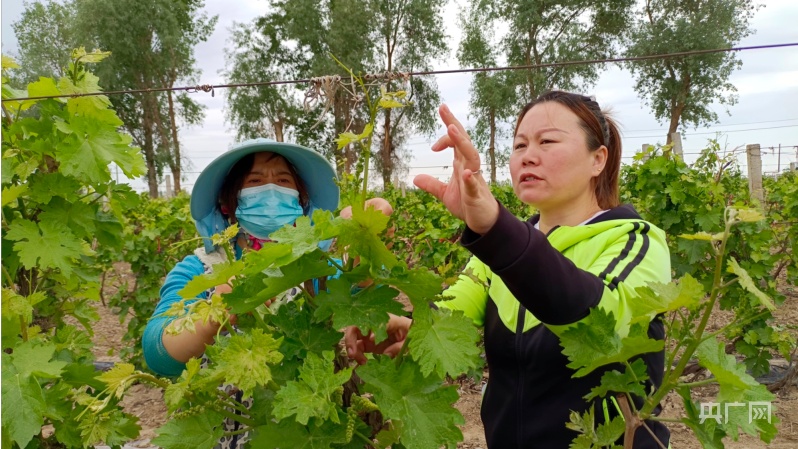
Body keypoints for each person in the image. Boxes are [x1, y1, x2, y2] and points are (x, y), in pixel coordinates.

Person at [345, 91, 672, 448]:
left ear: (598, 159)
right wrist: (404, 330)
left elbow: (596, 323)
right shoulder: (496, 256)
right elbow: (448, 321)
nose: (529, 156)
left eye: (547, 141)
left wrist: (496, 229)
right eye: (519, 145)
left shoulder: (636, 241)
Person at [142, 138, 390, 449]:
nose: (271, 190)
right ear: (229, 202)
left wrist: (368, 243)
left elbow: (360, 296)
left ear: (301, 200)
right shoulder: (200, 268)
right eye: (256, 181)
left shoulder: (314, 268)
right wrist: (218, 311)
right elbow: (158, 353)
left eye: (284, 181)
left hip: (304, 431)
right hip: (224, 433)